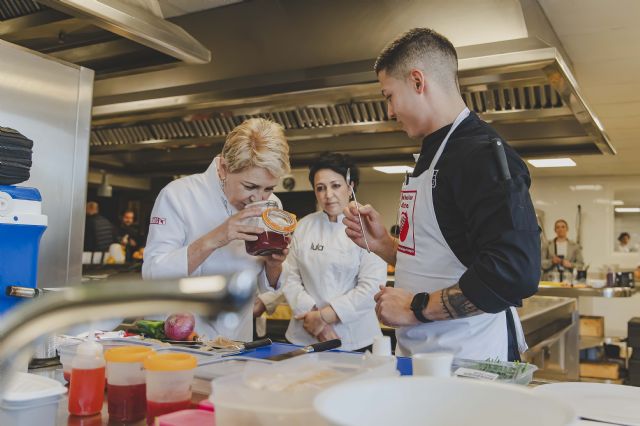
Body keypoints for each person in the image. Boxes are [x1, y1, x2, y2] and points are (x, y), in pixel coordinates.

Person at [342, 28, 540, 361]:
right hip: (426, 355)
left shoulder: (479, 156)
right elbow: (449, 256)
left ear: (418, 82)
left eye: (389, 95)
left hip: (469, 361)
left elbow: (514, 273)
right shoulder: (434, 154)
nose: (389, 111)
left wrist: (415, 308)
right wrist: (386, 248)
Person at [142, 118, 290, 341]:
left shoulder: (272, 206)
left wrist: (274, 265)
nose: (258, 198)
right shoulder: (179, 195)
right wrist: (216, 237)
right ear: (223, 168)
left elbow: (267, 286)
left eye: (268, 188)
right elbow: (153, 274)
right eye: (249, 186)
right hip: (179, 340)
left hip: (236, 339)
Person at [282, 153, 387, 351]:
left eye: (335, 185)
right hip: (305, 334)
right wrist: (314, 318)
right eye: (320, 188)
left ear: (350, 187)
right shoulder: (303, 226)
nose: (328, 194)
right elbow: (288, 277)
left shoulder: (367, 227)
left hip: (354, 337)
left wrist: (324, 317)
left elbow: (372, 286)